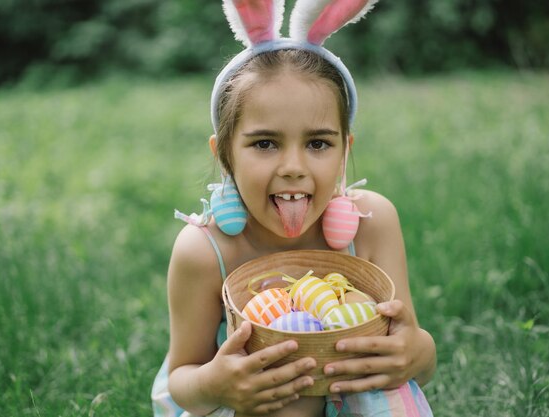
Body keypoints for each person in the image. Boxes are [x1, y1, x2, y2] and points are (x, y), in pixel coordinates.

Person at [152, 1, 436, 416]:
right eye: (265, 143)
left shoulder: (373, 225)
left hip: (349, 392)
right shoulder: (205, 250)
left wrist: (417, 351)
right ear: (225, 155)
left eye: (318, 143)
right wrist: (217, 383)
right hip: (250, 401)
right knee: (288, 391)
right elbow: (183, 380)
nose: (293, 169)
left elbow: (417, 360)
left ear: (344, 152)